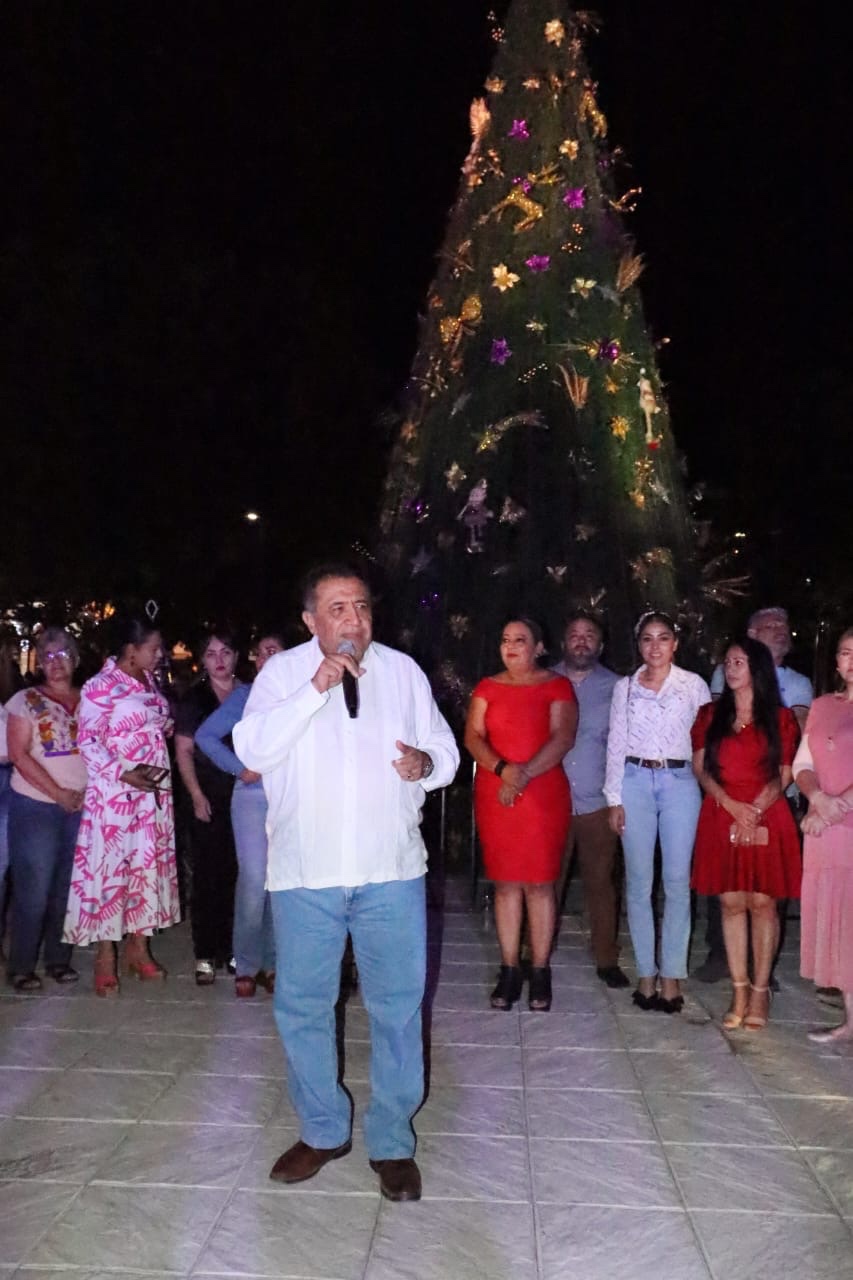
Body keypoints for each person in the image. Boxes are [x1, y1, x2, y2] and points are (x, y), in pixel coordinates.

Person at [234, 564, 458, 1202]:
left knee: (397, 1008)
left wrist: (427, 764)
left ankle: (392, 1142)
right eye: (337, 608)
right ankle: (323, 1129)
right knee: (303, 1007)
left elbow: (444, 751)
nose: (352, 619)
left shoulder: (403, 672)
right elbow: (253, 751)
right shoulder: (281, 674)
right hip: (307, 875)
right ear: (310, 620)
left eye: (360, 606)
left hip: (391, 870)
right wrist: (315, 688)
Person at [63, 617, 180, 995]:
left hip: (152, 796)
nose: (159, 654)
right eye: (154, 648)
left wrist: (162, 728)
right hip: (116, 796)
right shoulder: (101, 686)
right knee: (111, 870)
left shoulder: (150, 680)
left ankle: (138, 947)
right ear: (131, 650)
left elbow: (152, 718)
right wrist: (123, 773)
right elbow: (89, 740)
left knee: (146, 868)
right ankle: (105, 955)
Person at [697, 605, 813, 983]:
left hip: (768, 811)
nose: (731, 669)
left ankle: (761, 988)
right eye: (728, 662)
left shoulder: (780, 717)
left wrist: (756, 807)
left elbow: (785, 770)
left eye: (739, 662)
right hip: (722, 810)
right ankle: (739, 987)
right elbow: (701, 767)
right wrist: (731, 805)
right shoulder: (709, 714)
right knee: (730, 902)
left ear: (757, 668)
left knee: (764, 903)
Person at [466, 619, 578, 1012]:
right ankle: (510, 968)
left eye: (520, 640)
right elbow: (473, 737)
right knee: (506, 884)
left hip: (541, 792)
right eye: (505, 639)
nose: (511, 646)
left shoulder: (557, 686)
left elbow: (562, 737)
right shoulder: (487, 687)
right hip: (497, 792)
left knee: (540, 884)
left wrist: (523, 773)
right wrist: (503, 771)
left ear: (539, 647)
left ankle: (541, 970)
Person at [604, 611, 710, 1013]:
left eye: (663, 638)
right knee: (638, 882)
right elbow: (616, 743)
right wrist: (614, 797)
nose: (655, 646)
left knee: (678, 881)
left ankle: (672, 977)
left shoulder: (693, 686)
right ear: (639, 644)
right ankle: (645, 974)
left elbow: (703, 740)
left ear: (675, 643)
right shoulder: (625, 688)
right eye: (647, 638)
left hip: (680, 783)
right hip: (634, 781)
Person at [195, 632, 285, 997]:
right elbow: (205, 737)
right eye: (263, 653)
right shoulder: (247, 696)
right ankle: (246, 964)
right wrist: (239, 768)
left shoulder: (303, 694)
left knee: (280, 881)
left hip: (291, 798)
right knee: (252, 879)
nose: (269, 658)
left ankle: (274, 964)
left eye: (276, 651)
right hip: (251, 796)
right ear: (255, 660)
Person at [5, 627, 87, 991]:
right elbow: (19, 755)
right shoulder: (24, 700)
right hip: (37, 806)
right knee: (33, 889)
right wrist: (57, 793)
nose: (55, 663)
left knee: (67, 888)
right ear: (38, 663)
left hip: (81, 807)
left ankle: (58, 959)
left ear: (75, 659)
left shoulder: (89, 699)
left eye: (62, 655)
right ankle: (22, 965)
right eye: (47, 657)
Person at [553, 612, 628, 988]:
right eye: (574, 634)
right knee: (546, 883)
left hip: (598, 800)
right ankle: (534, 956)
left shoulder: (618, 688)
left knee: (601, 883)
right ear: (563, 641)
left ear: (600, 644)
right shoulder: (543, 680)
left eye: (589, 635)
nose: (581, 641)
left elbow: (624, 745)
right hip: (550, 802)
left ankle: (605, 958)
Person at [794, 627, 853, 1043]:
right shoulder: (821, 705)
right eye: (847, 652)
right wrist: (816, 798)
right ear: (837, 662)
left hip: (842, 825)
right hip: (825, 829)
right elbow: (803, 762)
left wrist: (834, 810)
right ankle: (851, 1023)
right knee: (840, 926)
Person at [175, 629, 242, 984]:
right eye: (212, 653)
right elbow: (184, 750)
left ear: (235, 656)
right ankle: (204, 952)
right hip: (206, 793)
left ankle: (232, 947)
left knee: (238, 874)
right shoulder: (195, 699)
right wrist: (196, 794)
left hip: (243, 796)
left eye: (226, 651)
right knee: (206, 875)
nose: (219, 660)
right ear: (203, 660)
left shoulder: (250, 695)